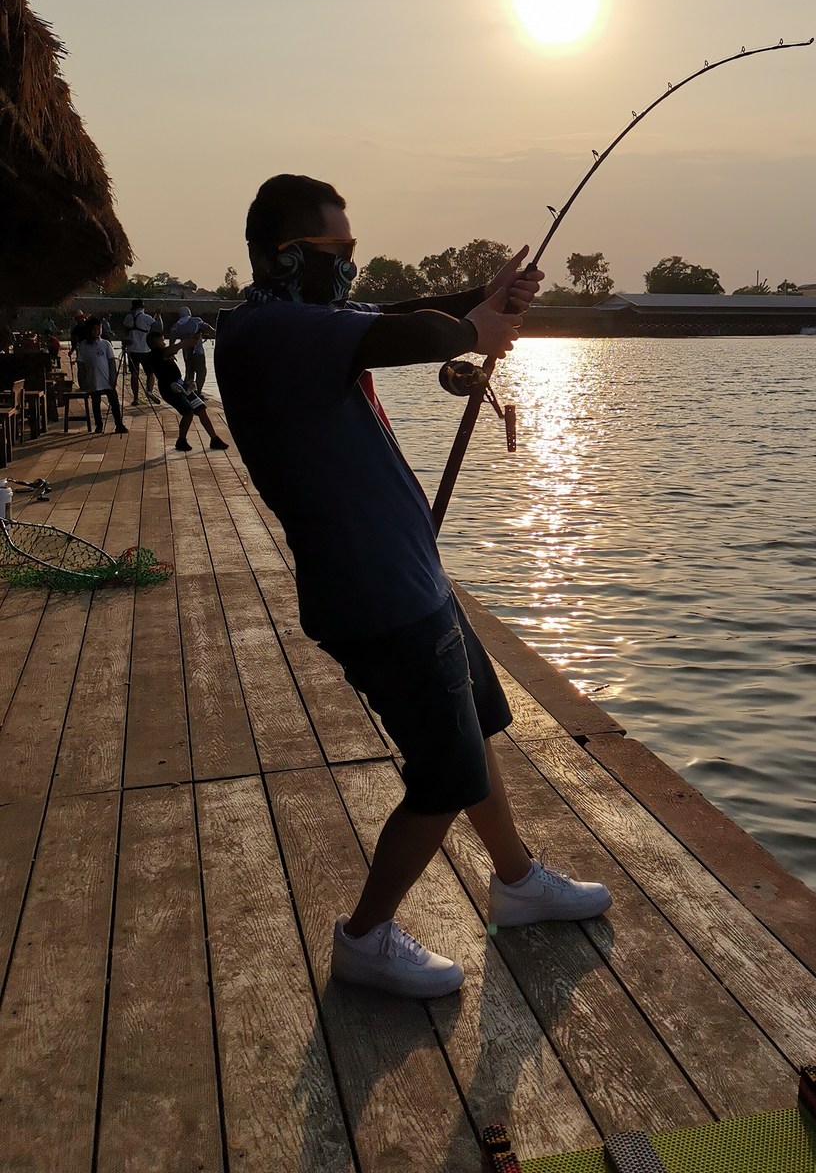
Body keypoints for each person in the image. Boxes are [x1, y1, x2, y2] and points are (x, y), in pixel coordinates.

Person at [215, 174, 611, 999]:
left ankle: (517, 881)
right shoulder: (267, 332)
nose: (350, 269)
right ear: (284, 256)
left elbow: (397, 317)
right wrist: (473, 326)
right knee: (441, 776)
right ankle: (365, 938)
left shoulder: (310, 321)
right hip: (375, 598)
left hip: (413, 576)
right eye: (337, 253)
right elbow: (412, 334)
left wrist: (485, 296)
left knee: (474, 729)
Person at [143, 330, 229, 452]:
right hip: (169, 388)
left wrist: (194, 338)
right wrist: (187, 341)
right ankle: (181, 441)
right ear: (154, 343)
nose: (163, 342)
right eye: (161, 340)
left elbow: (177, 348)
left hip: (180, 385)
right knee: (188, 412)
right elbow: (176, 348)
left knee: (201, 409)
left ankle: (214, 439)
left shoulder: (164, 352)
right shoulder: (156, 354)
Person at [75, 317, 127, 435]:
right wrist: (82, 381)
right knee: (95, 403)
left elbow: (111, 362)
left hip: (107, 379)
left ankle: (119, 424)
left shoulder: (105, 344)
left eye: (99, 329)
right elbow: (81, 365)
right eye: (94, 329)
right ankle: (99, 425)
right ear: (89, 330)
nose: (97, 332)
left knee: (114, 402)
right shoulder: (83, 346)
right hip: (93, 379)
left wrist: (113, 378)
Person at [122, 298, 160, 405]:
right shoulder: (146, 318)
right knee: (150, 373)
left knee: (134, 374)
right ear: (142, 308)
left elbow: (125, 331)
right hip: (145, 349)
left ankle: (135, 398)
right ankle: (149, 391)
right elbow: (157, 328)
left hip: (132, 350)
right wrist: (157, 315)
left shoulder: (128, 318)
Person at [169, 306, 215, 393]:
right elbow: (208, 328)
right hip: (198, 352)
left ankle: (187, 391)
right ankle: (198, 392)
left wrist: (171, 353)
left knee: (189, 371)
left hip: (186, 352)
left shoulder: (176, 325)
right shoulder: (196, 320)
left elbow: (172, 341)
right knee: (201, 372)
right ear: (189, 313)